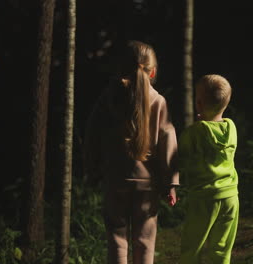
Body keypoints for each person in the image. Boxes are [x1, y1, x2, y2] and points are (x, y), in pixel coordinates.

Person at [84, 40, 179, 264]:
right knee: (145, 242)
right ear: (153, 71)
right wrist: (171, 183)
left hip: (114, 180)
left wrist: (91, 170)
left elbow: (91, 136)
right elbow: (168, 142)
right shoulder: (159, 102)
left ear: (120, 69)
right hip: (147, 185)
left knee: (116, 240)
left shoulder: (107, 99)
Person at [179, 74, 239, 264]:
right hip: (230, 196)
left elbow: (180, 157)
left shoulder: (194, 132)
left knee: (192, 248)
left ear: (198, 103)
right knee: (221, 250)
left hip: (203, 199)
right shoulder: (232, 127)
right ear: (226, 104)